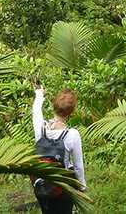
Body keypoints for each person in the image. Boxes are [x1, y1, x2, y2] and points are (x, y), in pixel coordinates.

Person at [31, 85, 86, 213]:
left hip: (41, 185)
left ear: (54, 106)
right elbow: (78, 166)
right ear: (71, 112)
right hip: (62, 188)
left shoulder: (40, 127)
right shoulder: (72, 135)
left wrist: (39, 94)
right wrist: (82, 187)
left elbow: (36, 111)